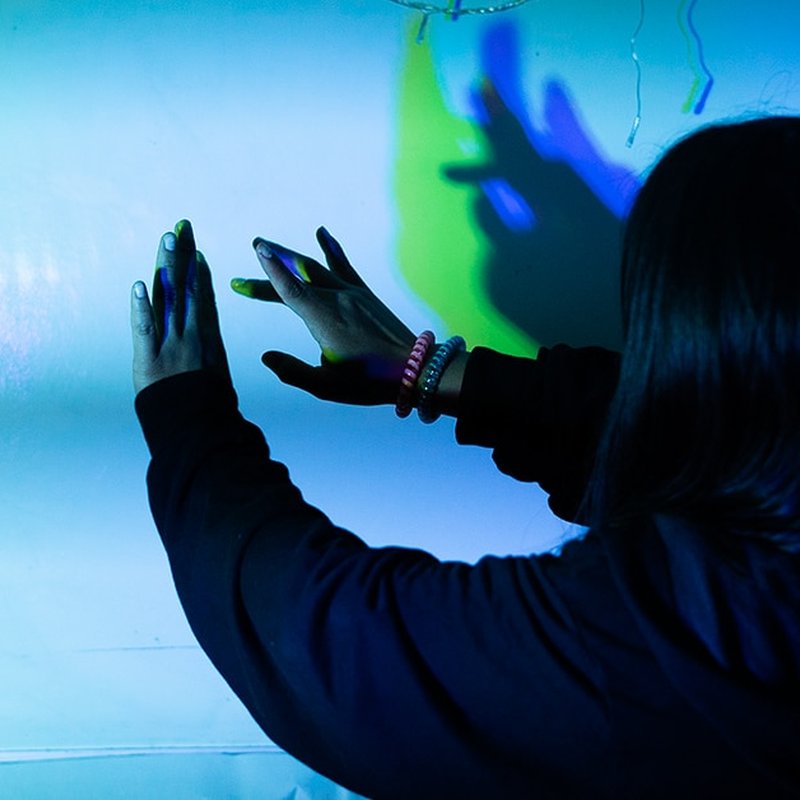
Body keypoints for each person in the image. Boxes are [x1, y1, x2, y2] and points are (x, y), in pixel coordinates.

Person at [131, 117, 800, 799]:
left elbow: (339, 647)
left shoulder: (690, 635)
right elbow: (677, 433)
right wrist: (425, 372)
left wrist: (187, 417)